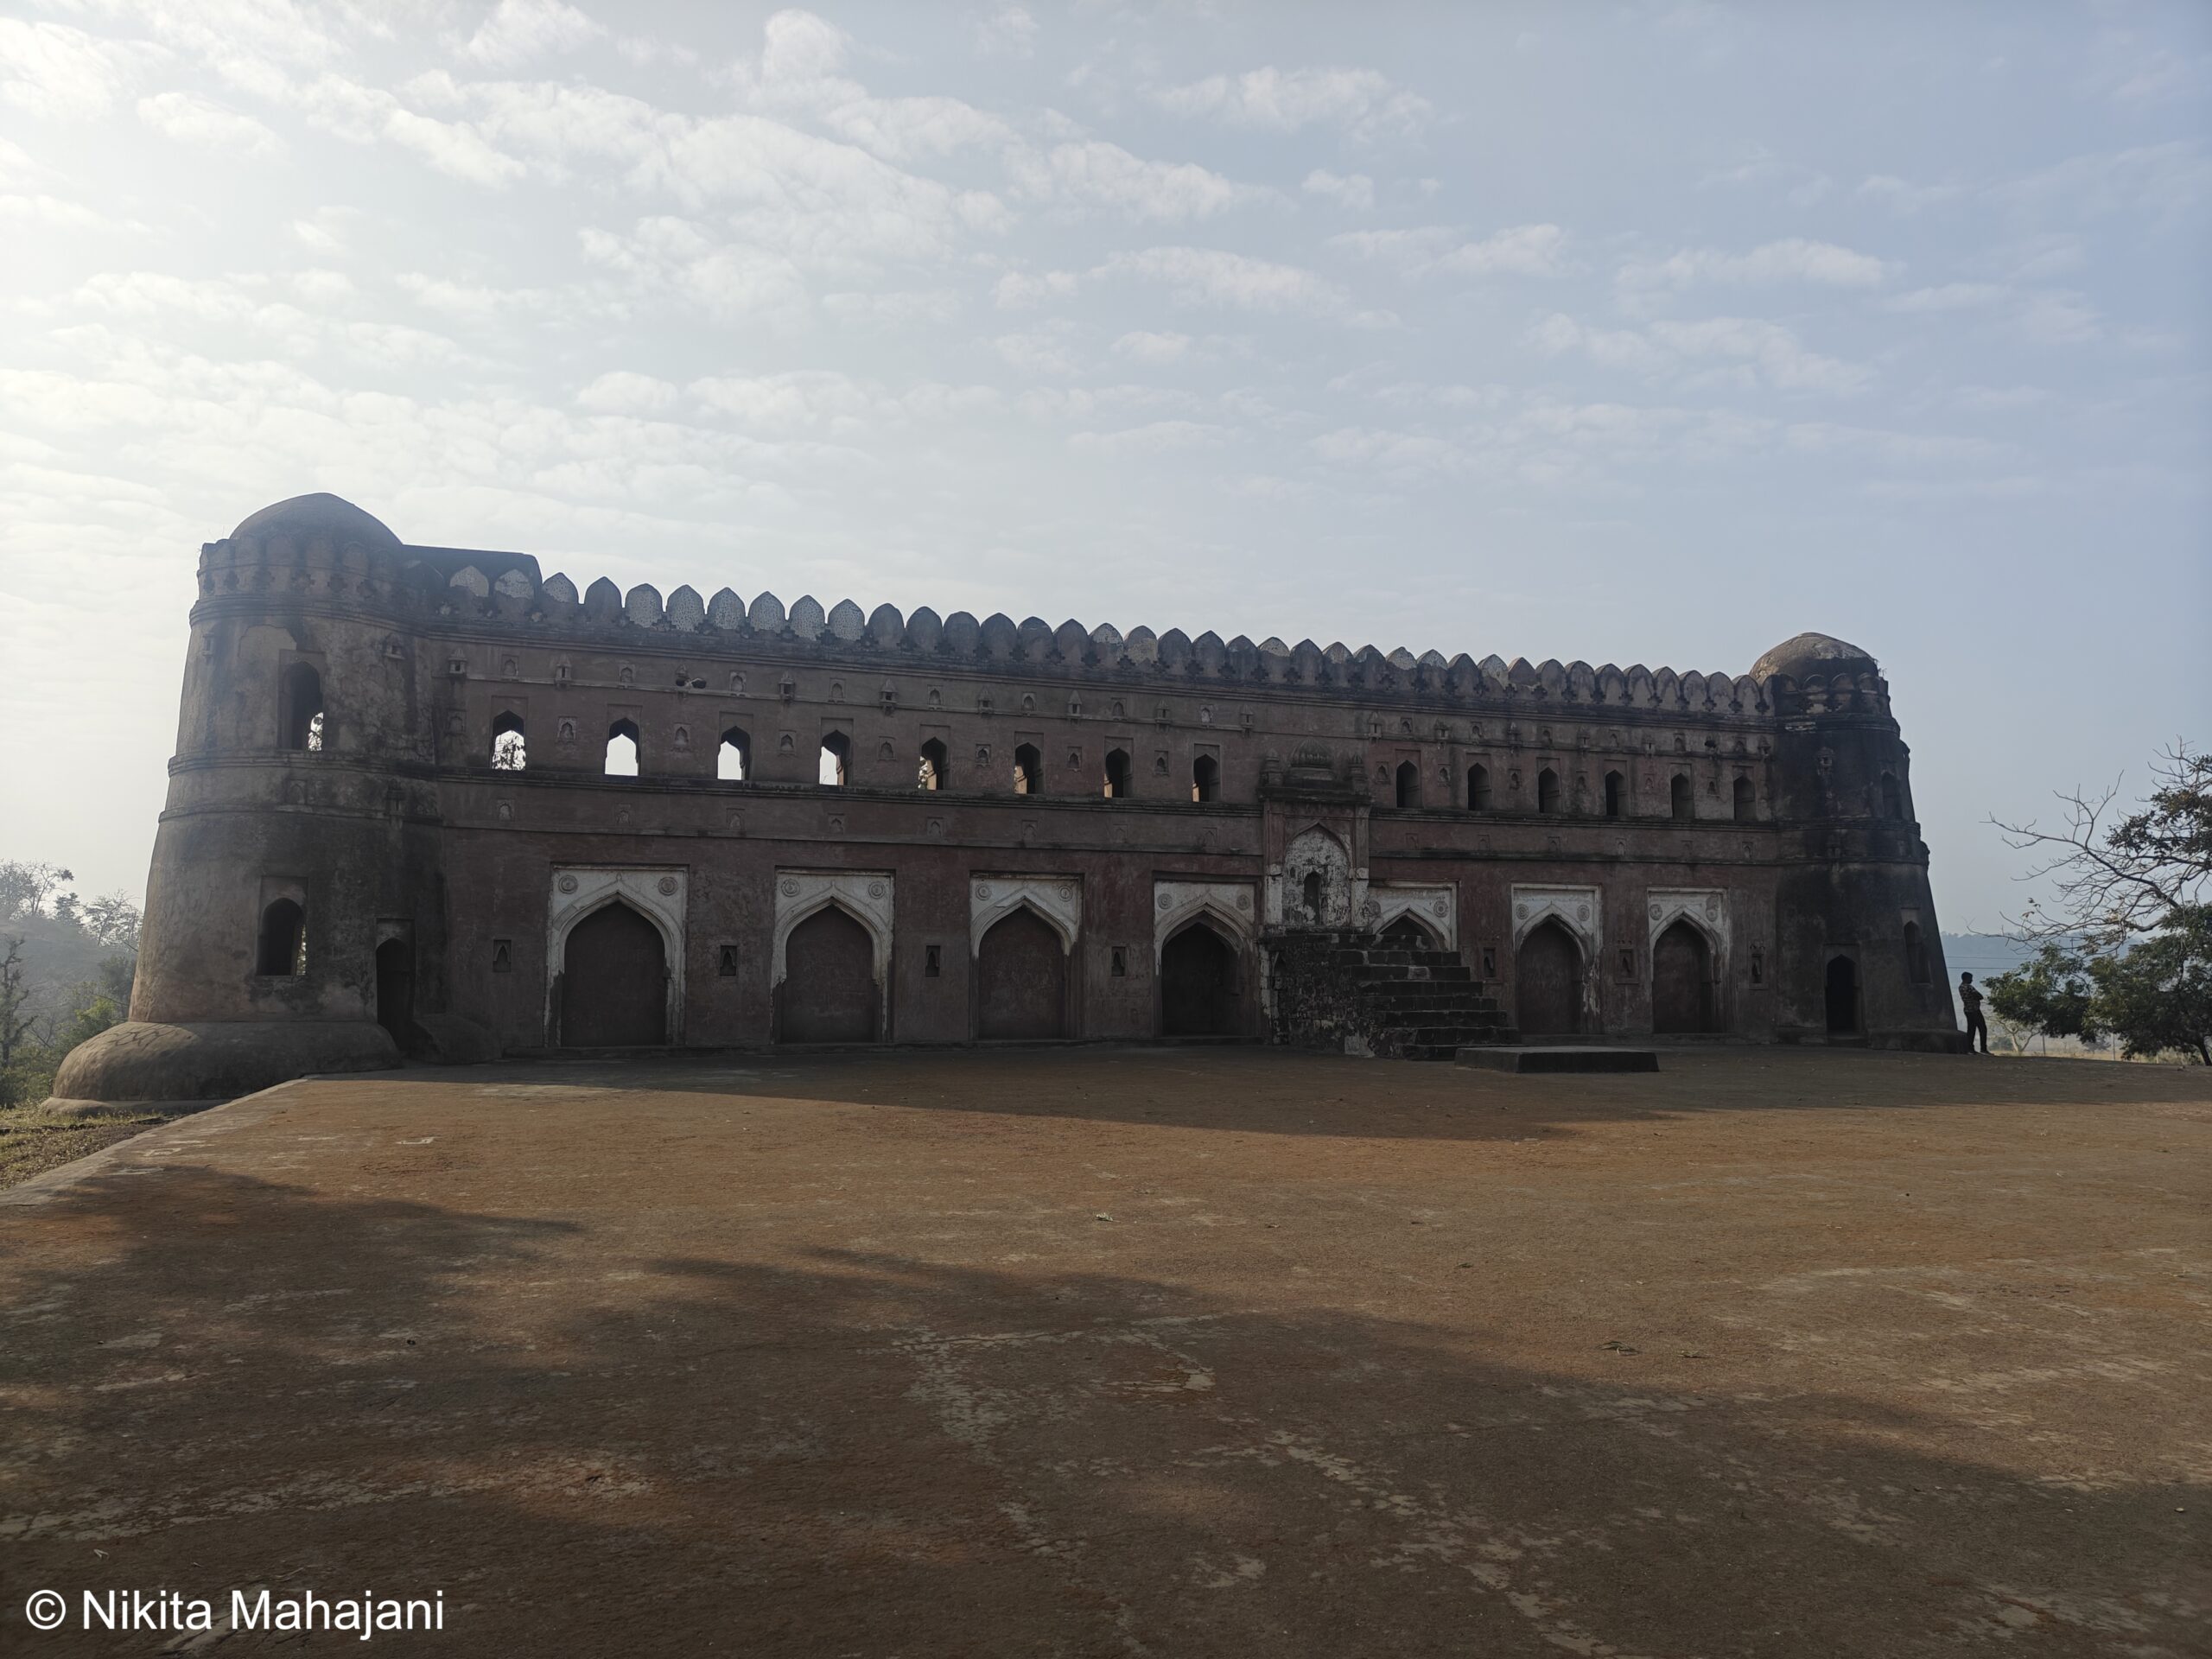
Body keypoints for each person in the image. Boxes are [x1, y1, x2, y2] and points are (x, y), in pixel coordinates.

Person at [1959, 971, 1988, 1054]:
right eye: (1970, 978)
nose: (1972, 980)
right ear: (1966, 978)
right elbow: (1980, 996)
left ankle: (1970, 1049)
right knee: (1982, 1028)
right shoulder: (1969, 987)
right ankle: (1983, 1049)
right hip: (1975, 1010)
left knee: (1971, 1029)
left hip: (1967, 1010)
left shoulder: (1960, 987)